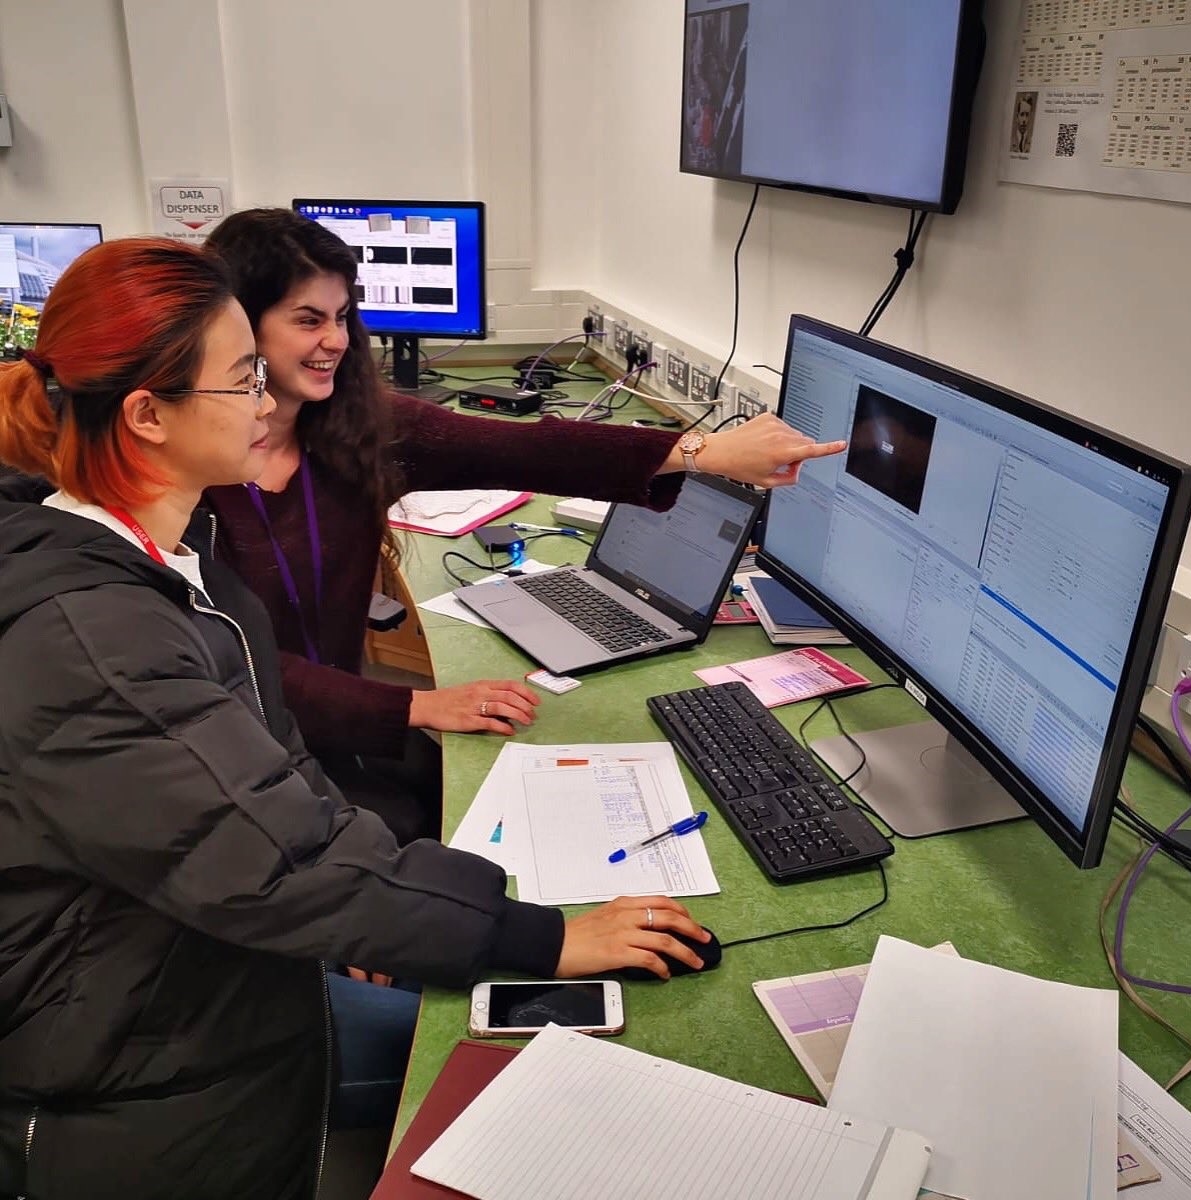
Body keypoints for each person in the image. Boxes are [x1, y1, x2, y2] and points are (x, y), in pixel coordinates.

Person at [0, 238, 714, 1200]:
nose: (268, 400)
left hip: (221, 985)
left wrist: (380, 918)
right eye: (245, 375)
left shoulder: (178, 560)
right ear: (146, 415)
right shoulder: (92, 635)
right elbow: (278, 862)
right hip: (138, 1080)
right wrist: (542, 938)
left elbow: (275, 792)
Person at [203, 208, 846, 841]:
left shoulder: (359, 427)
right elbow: (231, 664)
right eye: (308, 320)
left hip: (342, 733)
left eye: (343, 317)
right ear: (237, 329)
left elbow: (524, 449)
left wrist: (703, 450)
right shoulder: (191, 470)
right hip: (235, 754)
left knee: (475, 803)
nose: (336, 341)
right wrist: (416, 706)